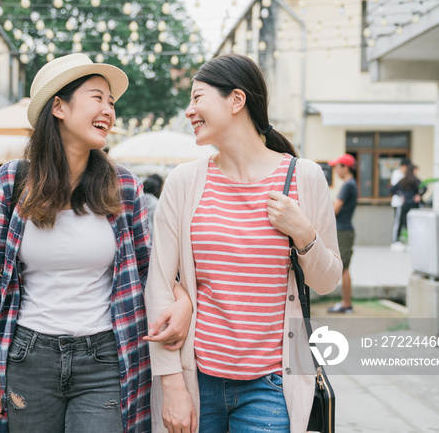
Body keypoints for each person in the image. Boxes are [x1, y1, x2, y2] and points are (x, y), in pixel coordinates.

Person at [0, 53, 191, 433]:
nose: (109, 111)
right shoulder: (13, 182)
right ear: (59, 106)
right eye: (97, 98)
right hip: (28, 356)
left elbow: (147, 269)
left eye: (111, 103)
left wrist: (183, 299)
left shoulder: (123, 186)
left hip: (103, 356)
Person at [144, 54, 342, 433]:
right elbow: (159, 284)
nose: (189, 111)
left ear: (236, 101)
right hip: (196, 378)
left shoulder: (305, 177)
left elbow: (328, 280)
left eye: (197, 98)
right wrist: (172, 385)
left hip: (271, 385)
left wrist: (303, 234)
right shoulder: (184, 182)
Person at [327, 154, 358, 314]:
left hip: (344, 230)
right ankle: (345, 302)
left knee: (344, 268)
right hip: (344, 229)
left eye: (337, 166)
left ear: (345, 168)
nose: (336, 170)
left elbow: (335, 210)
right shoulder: (350, 184)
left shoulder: (348, 185)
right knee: (344, 267)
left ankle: (346, 303)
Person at [390, 164, 427, 243]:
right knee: (415, 223)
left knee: (403, 223)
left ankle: (399, 240)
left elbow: (392, 189)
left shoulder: (403, 180)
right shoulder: (415, 180)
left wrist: (401, 195)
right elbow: (425, 187)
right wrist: (419, 195)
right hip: (414, 204)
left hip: (405, 204)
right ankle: (414, 240)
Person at [389, 159, 411, 246]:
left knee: (402, 222)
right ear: (403, 166)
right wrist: (402, 195)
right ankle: (395, 240)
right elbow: (395, 188)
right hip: (397, 202)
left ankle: (400, 240)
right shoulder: (397, 174)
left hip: (402, 203)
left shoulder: (403, 175)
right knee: (397, 222)